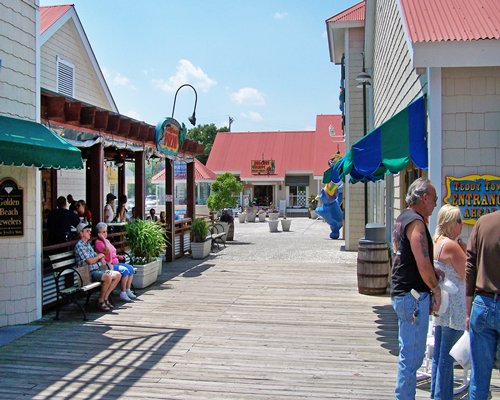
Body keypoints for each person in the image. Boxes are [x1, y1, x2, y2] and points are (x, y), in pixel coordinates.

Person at [391, 177, 442, 400]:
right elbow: (422, 264)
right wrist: (436, 289)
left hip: (402, 294)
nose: (436, 204)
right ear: (424, 197)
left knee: (408, 355)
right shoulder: (417, 224)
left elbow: (409, 259)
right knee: (412, 358)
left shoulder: (402, 218)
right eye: (434, 198)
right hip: (412, 297)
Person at [430, 205, 466, 400]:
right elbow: (466, 272)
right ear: (450, 224)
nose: (461, 225)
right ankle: (442, 396)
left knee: (439, 355)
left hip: (443, 305)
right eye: (458, 221)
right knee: (447, 357)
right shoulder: (452, 246)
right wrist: (465, 250)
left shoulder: (437, 242)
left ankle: (436, 394)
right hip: (455, 308)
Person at [465, 210, 500, 399]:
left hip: (482, 303)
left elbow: (470, 265)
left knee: (479, 378)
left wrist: (468, 309)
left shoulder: (483, 222)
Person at [74, 222, 121, 311]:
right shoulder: (80, 245)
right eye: (87, 231)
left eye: (89, 230)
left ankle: (104, 298)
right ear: (81, 233)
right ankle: (101, 301)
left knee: (117, 275)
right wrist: (99, 257)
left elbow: (96, 255)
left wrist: (100, 257)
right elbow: (90, 261)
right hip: (87, 274)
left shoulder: (87, 244)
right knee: (107, 276)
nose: (90, 232)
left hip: (96, 270)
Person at [94, 222, 136, 302]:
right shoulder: (98, 243)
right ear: (98, 233)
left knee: (131, 269)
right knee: (125, 270)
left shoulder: (107, 241)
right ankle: (123, 292)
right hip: (109, 265)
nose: (105, 233)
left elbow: (112, 253)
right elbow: (107, 252)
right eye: (103, 232)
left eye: (106, 231)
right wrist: (103, 239)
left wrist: (118, 256)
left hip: (115, 262)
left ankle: (128, 289)